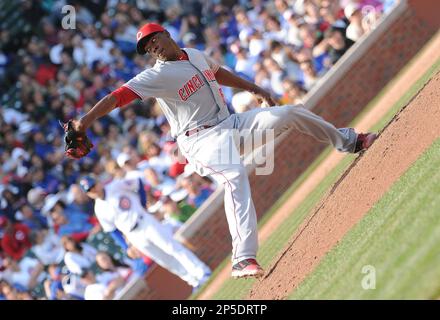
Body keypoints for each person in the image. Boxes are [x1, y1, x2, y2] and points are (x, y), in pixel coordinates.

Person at [68, 23, 377, 279]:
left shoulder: (195, 55)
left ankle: (349, 141)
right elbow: (118, 96)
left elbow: (219, 73)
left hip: (231, 124)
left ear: (166, 34)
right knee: (234, 176)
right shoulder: (157, 75)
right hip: (200, 141)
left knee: (289, 113)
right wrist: (85, 120)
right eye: (147, 48)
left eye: (154, 41)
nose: (153, 49)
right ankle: (242, 258)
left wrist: (255, 88)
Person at [78, 176, 211, 290]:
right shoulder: (99, 209)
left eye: (93, 186)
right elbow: (112, 230)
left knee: (171, 247)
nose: (93, 190)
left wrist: (142, 203)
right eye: (89, 190)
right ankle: (193, 281)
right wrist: (127, 246)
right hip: (133, 235)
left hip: (144, 221)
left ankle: (202, 272)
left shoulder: (116, 186)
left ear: (98, 183)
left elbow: (138, 182)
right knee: (163, 260)